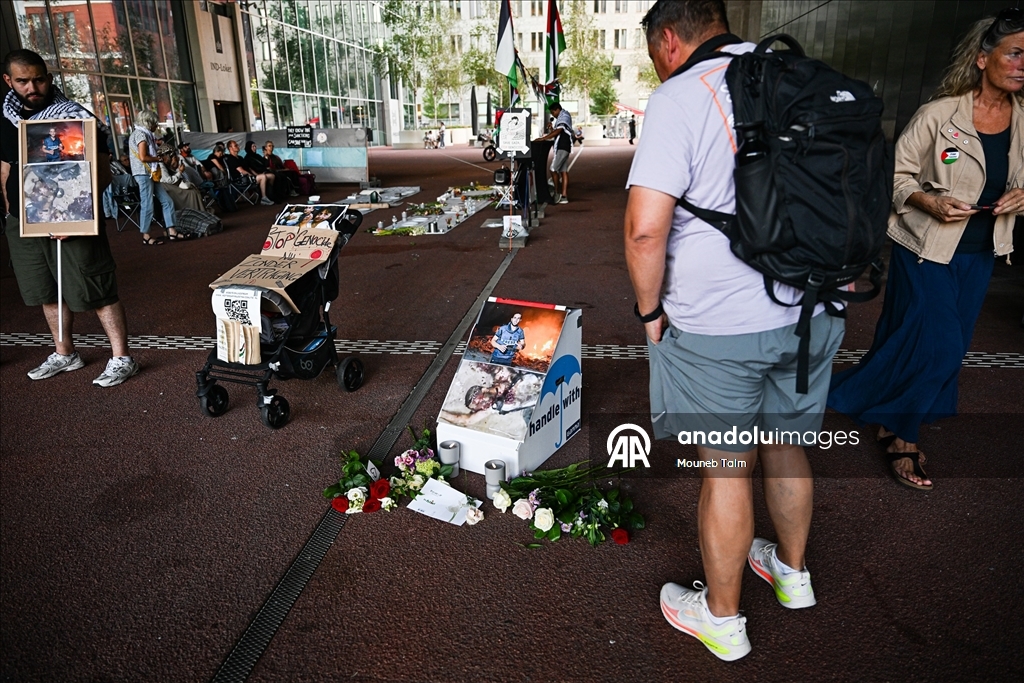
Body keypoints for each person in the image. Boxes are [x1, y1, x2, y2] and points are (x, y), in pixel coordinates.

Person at [624, 1, 845, 661]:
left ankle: (721, 619)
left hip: (721, 325)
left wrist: (648, 312)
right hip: (813, 311)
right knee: (786, 444)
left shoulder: (680, 95)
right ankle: (792, 574)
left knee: (725, 468)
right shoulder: (803, 77)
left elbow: (644, 230)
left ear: (669, 38)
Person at [828, 10, 1022, 491]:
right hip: (926, 248)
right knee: (941, 349)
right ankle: (901, 436)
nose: (1023, 64)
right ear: (983, 59)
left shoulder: (1023, 121)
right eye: (1015, 53)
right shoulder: (940, 115)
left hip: (980, 254)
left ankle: (855, 397)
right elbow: (896, 175)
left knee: (912, 342)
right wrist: (927, 199)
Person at [1, 49, 139, 387]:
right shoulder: (4, 118)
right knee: (45, 288)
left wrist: (70, 215)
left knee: (96, 285)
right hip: (25, 219)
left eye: (38, 79)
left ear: (48, 78)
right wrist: (11, 211)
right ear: (9, 81)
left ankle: (122, 357)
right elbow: (4, 169)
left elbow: (102, 171)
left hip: (72, 214)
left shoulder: (76, 117)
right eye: (23, 81)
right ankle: (65, 353)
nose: (32, 87)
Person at [129, 109, 184, 244]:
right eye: (154, 124)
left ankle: (172, 231)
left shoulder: (139, 134)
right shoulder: (141, 135)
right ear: (148, 123)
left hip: (149, 173)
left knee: (167, 201)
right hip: (144, 173)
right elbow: (143, 157)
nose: (156, 127)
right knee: (147, 204)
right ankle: (146, 235)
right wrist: (158, 160)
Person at [535, 101, 572, 203]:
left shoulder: (564, 116)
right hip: (563, 146)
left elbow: (559, 131)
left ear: (557, 110)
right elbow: (557, 132)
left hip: (562, 147)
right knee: (563, 171)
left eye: (552, 112)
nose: (552, 115)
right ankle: (564, 196)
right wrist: (552, 129)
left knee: (553, 169)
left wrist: (544, 138)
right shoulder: (561, 117)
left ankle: (557, 192)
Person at [155, 143, 205, 216]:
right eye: (173, 155)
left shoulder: (165, 163)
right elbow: (169, 180)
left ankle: (199, 214)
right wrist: (180, 171)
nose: (175, 157)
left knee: (194, 190)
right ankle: (193, 215)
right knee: (192, 193)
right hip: (166, 187)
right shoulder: (161, 165)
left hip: (170, 185)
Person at [225, 139, 274, 205]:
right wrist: (252, 175)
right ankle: (263, 198)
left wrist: (256, 174)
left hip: (248, 177)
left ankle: (270, 194)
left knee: (271, 176)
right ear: (230, 148)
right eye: (235, 145)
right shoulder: (230, 159)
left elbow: (249, 169)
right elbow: (242, 171)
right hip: (241, 180)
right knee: (263, 177)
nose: (238, 146)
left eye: (237, 145)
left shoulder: (240, 158)